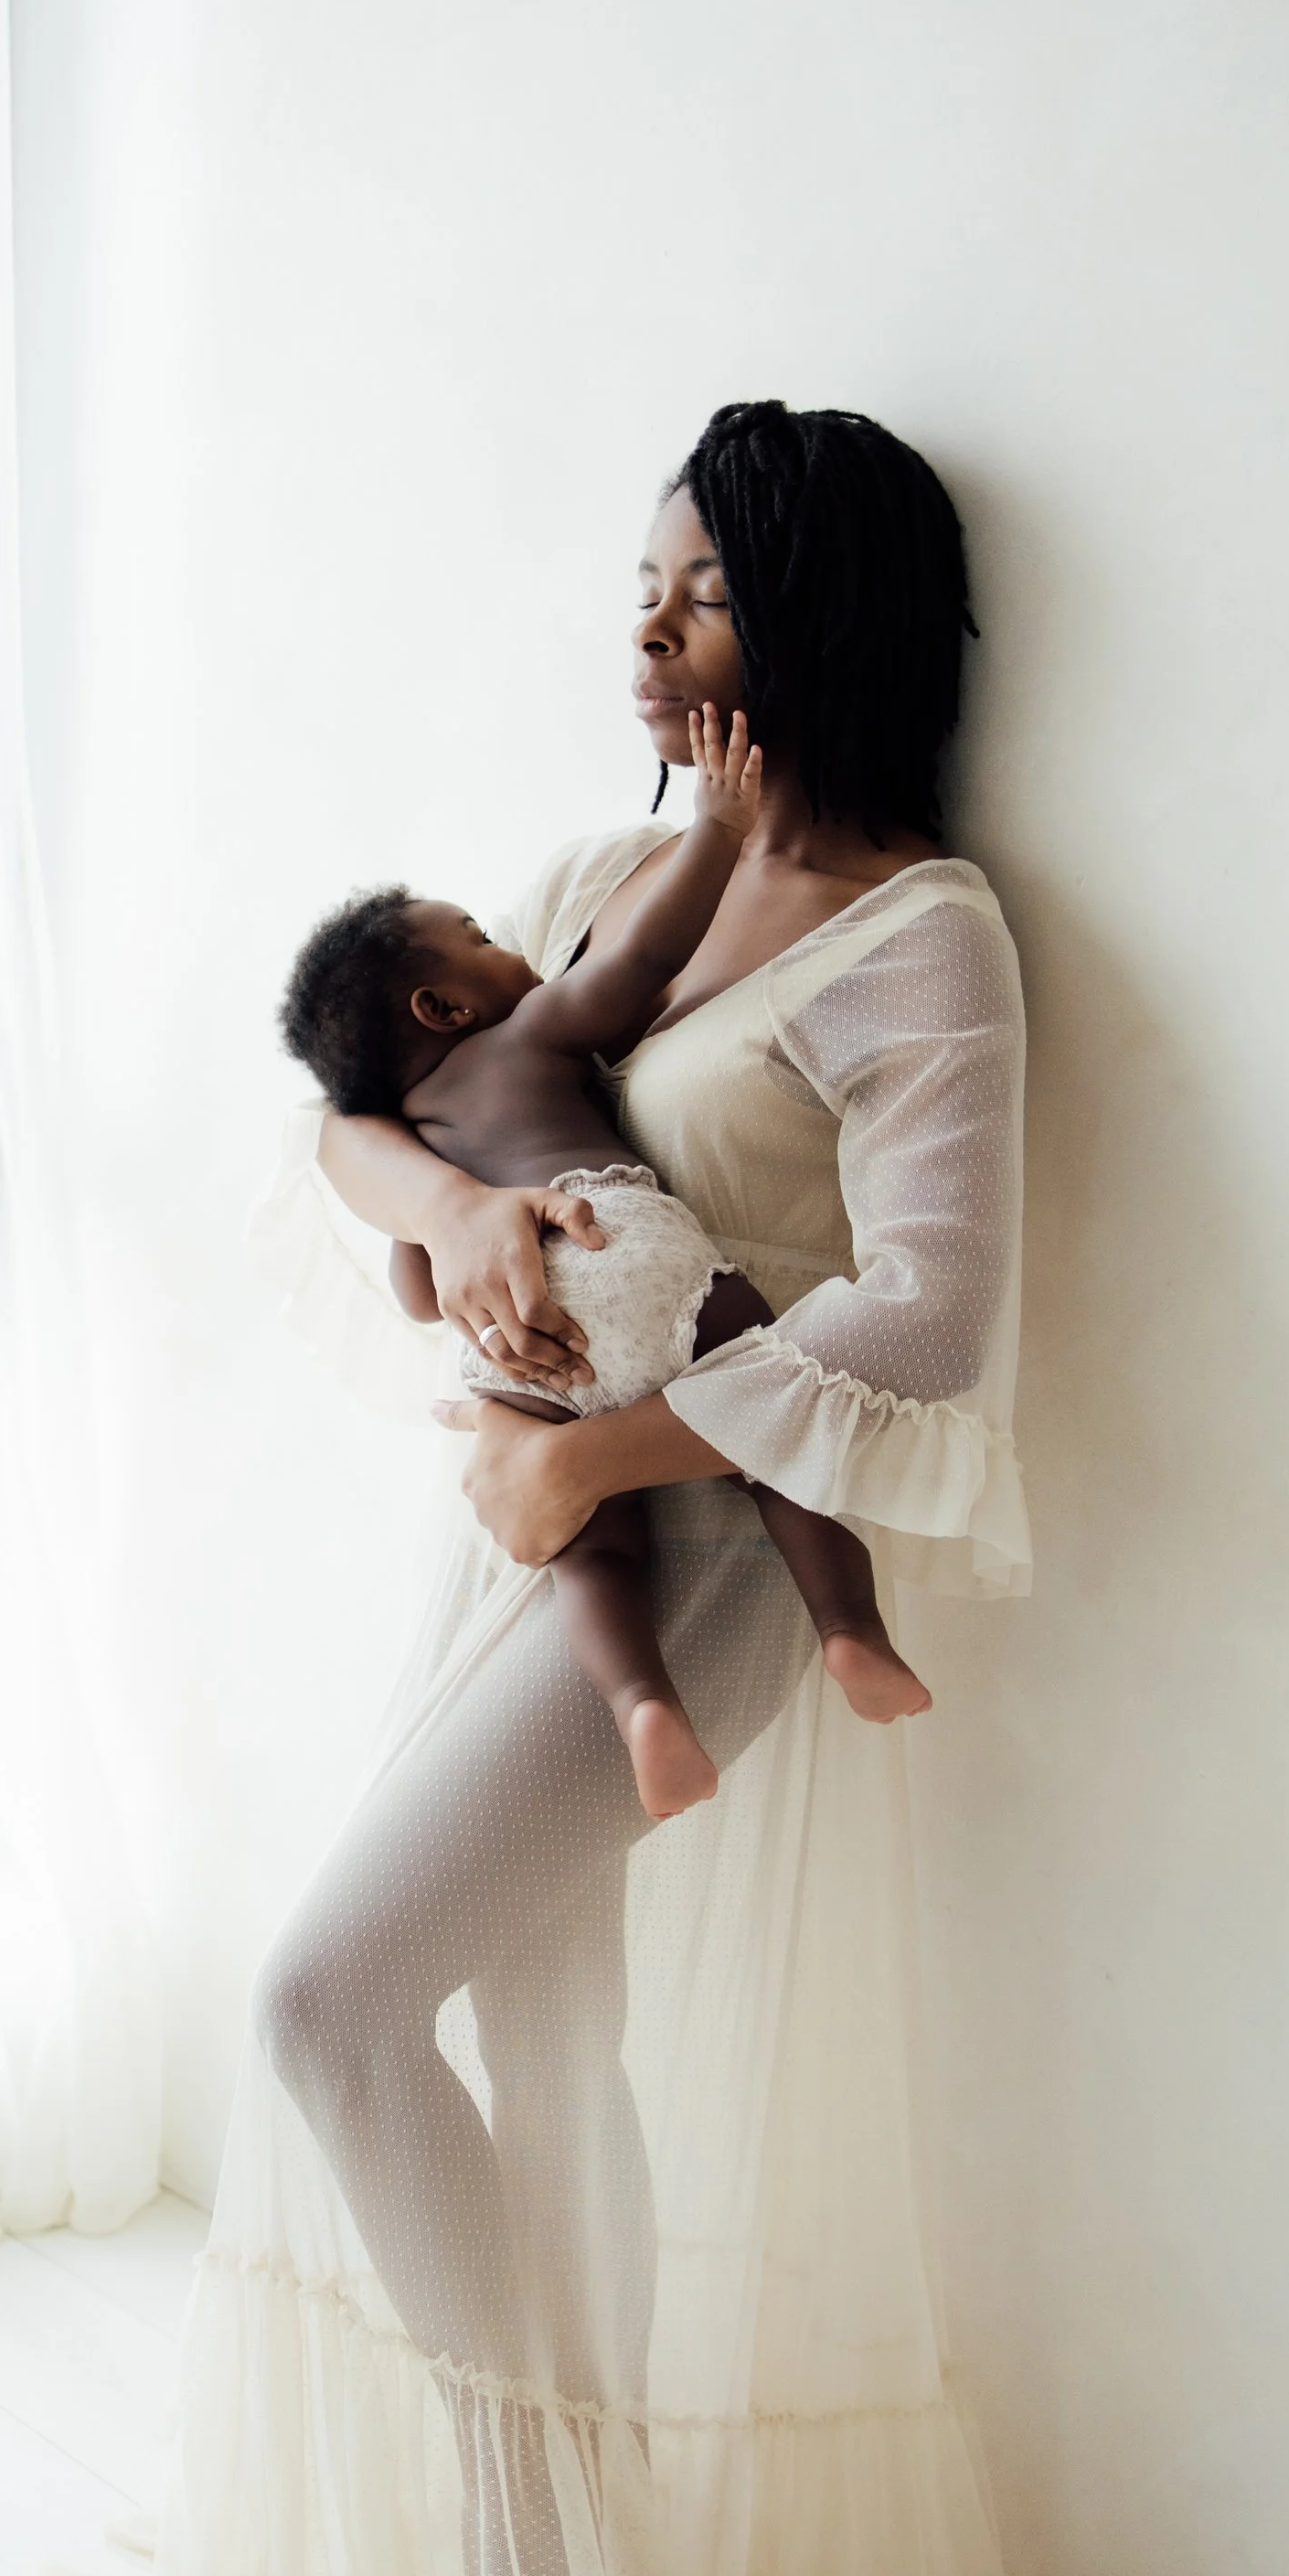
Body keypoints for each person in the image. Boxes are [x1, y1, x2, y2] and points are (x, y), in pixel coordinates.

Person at [0, 401, 1166, 2576]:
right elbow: (367, 1131)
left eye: (694, 593)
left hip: (701, 1559)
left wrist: (584, 1456)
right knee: (536, 2029)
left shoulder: (925, 939)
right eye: (637, 580)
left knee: (323, 1998)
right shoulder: (604, 879)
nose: (641, 629)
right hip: (520, 1531)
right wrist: (471, 1215)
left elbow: (929, 1313)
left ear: (817, 619)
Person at [275, 701, 929, 1822]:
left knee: (591, 1553)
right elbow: (635, 962)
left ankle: (642, 1709)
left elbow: (420, 1295)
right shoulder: (523, 1037)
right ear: (445, 1005)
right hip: (616, 1248)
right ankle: (849, 1631)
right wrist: (717, 829)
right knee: (776, 1428)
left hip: (520, 1350)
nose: (514, 949)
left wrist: (445, 1222)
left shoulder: (421, 1143)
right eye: (482, 941)